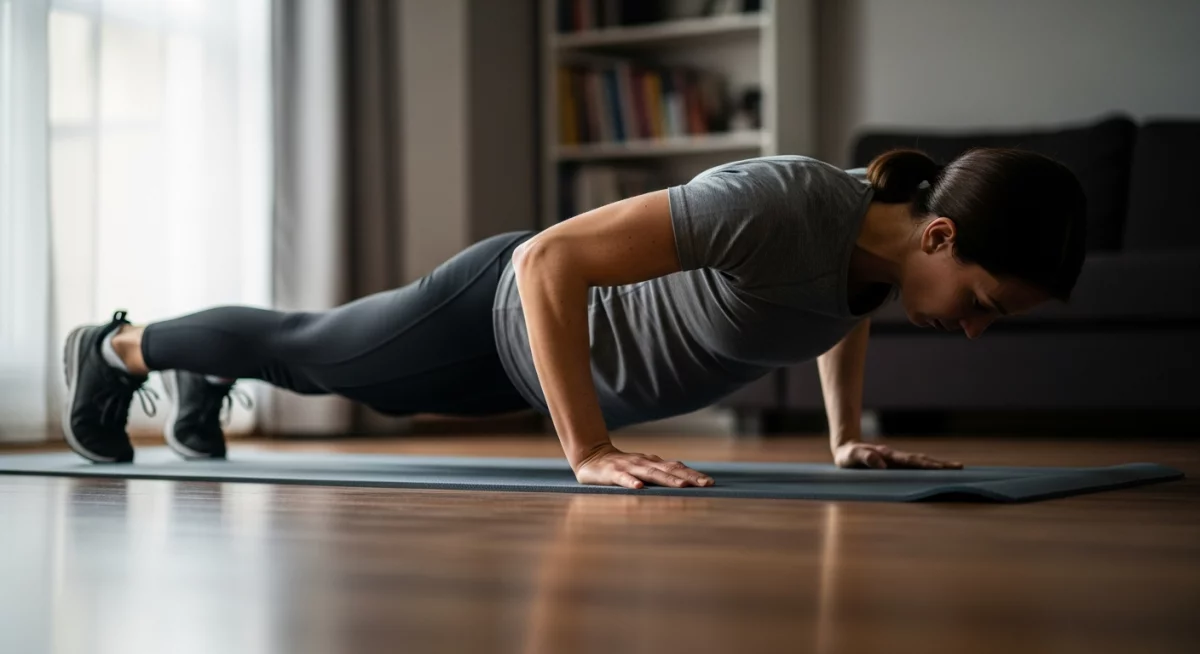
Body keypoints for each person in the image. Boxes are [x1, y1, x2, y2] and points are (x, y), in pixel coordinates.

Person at [61, 147, 1087, 489]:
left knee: (317, 362)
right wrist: (588, 451)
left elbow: (838, 311)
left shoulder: (881, 257)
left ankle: (197, 380)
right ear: (942, 239)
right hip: (499, 312)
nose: (977, 329)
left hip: (532, 368)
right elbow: (554, 258)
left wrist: (845, 437)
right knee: (312, 355)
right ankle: (115, 348)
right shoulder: (777, 205)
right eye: (984, 307)